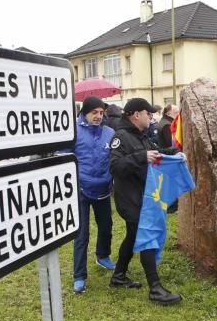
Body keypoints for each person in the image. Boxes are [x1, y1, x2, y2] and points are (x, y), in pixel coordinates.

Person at [109, 97, 183, 305]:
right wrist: (141, 157)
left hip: (142, 195)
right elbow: (115, 167)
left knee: (133, 236)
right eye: (148, 114)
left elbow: (155, 153)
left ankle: (118, 276)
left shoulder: (141, 135)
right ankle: (155, 288)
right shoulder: (121, 137)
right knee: (147, 236)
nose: (151, 118)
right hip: (130, 198)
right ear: (136, 115)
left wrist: (175, 153)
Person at [71, 96, 117, 293]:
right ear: (84, 112)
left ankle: (103, 256)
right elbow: (62, 156)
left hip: (103, 189)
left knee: (106, 226)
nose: (98, 116)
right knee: (82, 235)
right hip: (80, 189)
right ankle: (79, 275)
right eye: (94, 113)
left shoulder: (110, 132)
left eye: (101, 113)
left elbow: (116, 157)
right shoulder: (72, 131)